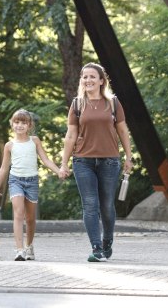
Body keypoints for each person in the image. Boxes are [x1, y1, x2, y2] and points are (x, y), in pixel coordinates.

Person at [59, 62, 134, 262]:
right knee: (90, 205)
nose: (88, 80)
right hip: (83, 161)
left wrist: (129, 156)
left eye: (93, 77)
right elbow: (70, 136)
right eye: (85, 77)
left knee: (107, 206)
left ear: (102, 81)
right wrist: (64, 163)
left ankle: (107, 240)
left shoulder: (113, 103)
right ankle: (97, 248)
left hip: (109, 160)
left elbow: (122, 130)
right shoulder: (77, 104)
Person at [0, 109, 61, 261]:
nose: (20, 125)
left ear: (29, 125)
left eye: (23, 122)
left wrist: (58, 171)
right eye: (17, 122)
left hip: (32, 181)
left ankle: (29, 246)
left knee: (30, 219)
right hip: (16, 180)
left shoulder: (34, 141)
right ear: (12, 124)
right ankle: (19, 250)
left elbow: (46, 160)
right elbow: (3, 168)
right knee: (18, 214)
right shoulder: (9, 145)